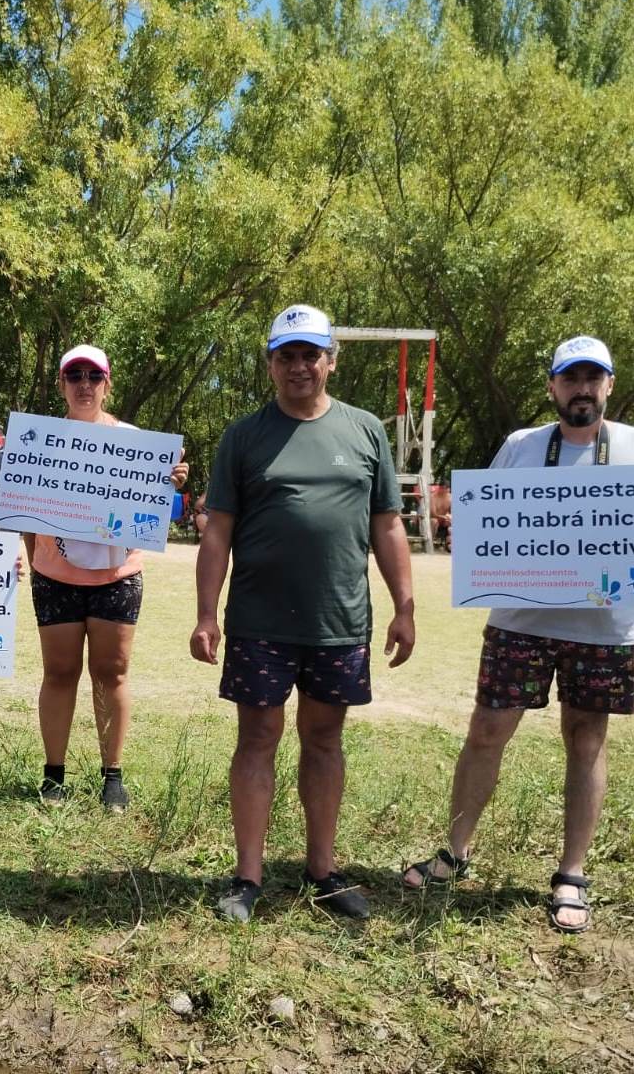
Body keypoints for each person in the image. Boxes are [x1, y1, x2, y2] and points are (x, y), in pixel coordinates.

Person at [400, 335, 634, 934]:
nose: (582, 388)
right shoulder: (521, 446)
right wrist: (470, 534)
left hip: (607, 625)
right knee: (486, 730)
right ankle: (455, 853)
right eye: (571, 378)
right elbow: (488, 524)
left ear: (609, 385)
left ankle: (572, 874)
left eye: (593, 377)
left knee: (586, 739)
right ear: (552, 387)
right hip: (521, 622)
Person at [191, 305, 415, 923]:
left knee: (324, 739)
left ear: (330, 360)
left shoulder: (366, 430)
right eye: (285, 355)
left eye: (309, 354)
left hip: (338, 623)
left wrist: (405, 607)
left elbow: (388, 526)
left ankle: (322, 871)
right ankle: (247, 877)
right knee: (257, 738)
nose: (298, 366)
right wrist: (207, 615)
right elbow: (217, 535)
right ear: (270, 364)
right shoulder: (243, 436)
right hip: (261, 623)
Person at [23, 345, 189, 812]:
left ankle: (112, 776)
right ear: (61, 385)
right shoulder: (42, 441)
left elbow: (157, 509)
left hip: (118, 576)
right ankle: (53, 776)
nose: (83, 384)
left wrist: (169, 482)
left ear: (107, 384)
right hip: (54, 576)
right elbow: (22, 511)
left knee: (111, 674)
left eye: (93, 376)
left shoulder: (137, 442)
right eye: (73, 375)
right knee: (59, 674)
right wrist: (34, 559)